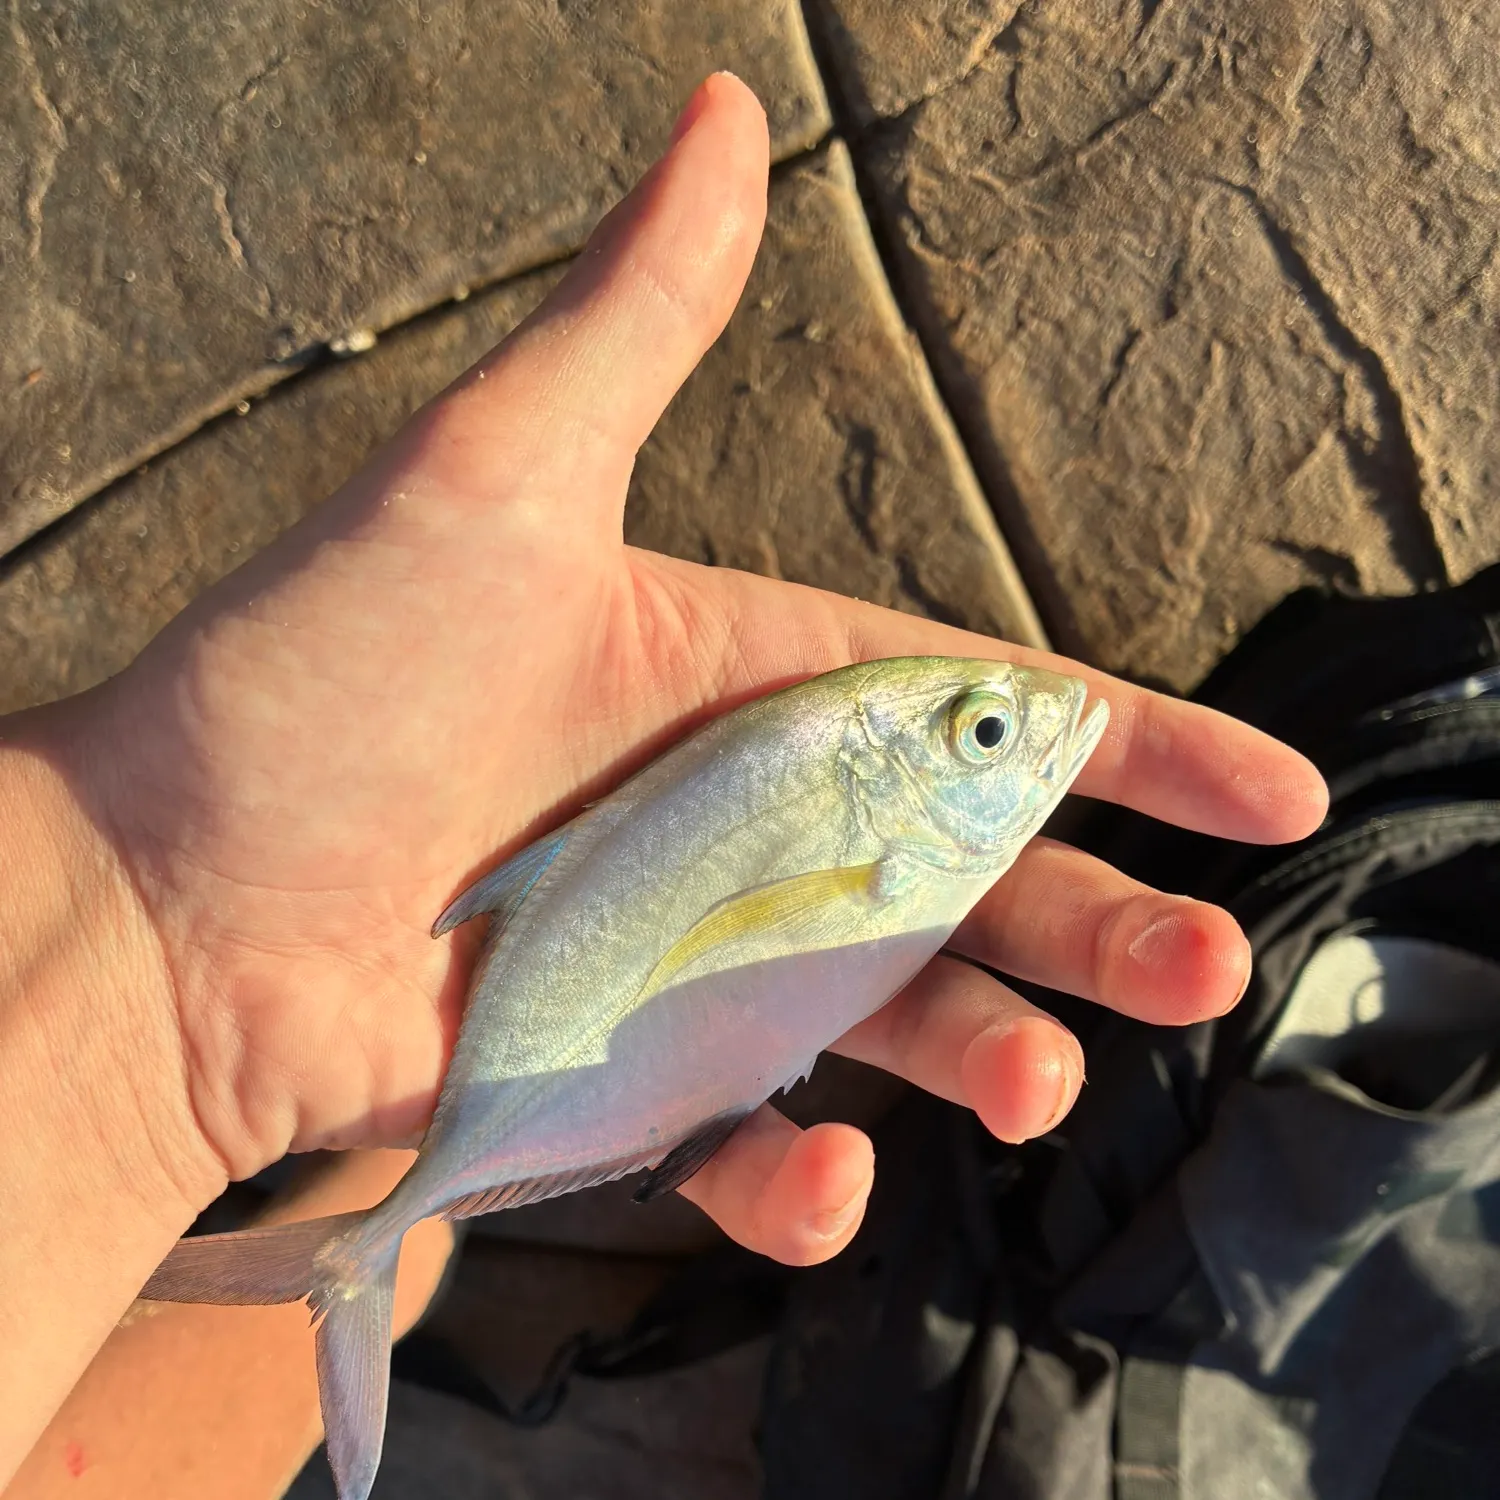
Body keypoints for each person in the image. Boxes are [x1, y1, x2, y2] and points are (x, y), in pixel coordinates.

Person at [0, 73, 1327, 1495]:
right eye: (983, 739)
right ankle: (408, 1228)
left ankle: (406, 1226)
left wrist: (144, 991)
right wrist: (148, 976)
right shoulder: (884, 830)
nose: (1028, 736)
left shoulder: (890, 831)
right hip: (535, 1057)